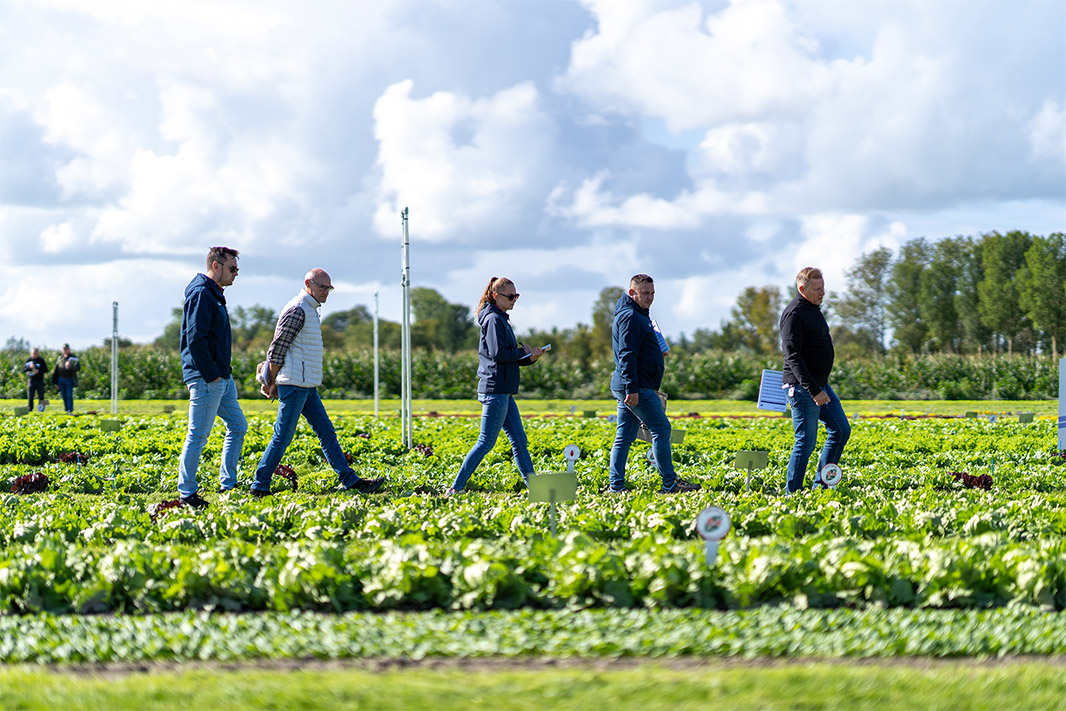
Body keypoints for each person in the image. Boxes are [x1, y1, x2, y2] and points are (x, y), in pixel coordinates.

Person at [252, 269, 385, 497]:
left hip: (306, 384)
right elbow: (278, 347)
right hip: (294, 384)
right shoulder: (298, 309)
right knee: (282, 436)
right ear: (308, 283)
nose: (327, 292)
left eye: (329, 288)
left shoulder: (310, 309)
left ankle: (350, 480)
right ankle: (260, 485)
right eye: (323, 287)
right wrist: (271, 381)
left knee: (326, 432)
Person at [447, 277, 545, 495]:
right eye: (510, 296)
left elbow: (506, 356)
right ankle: (455, 488)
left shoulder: (500, 319)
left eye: (516, 296)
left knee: (520, 442)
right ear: (495, 296)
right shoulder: (493, 319)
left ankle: (536, 489)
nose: (514, 300)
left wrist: (529, 357)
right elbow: (498, 353)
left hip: (504, 390)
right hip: (495, 390)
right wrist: (523, 353)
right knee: (485, 443)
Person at [608, 274, 700, 494]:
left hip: (633, 385)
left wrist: (657, 354)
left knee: (624, 436)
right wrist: (632, 389)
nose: (650, 298)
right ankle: (669, 483)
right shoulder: (630, 316)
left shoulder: (638, 315)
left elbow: (637, 351)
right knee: (661, 428)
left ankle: (616, 487)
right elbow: (626, 355)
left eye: (652, 293)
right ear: (632, 293)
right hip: (637, 386)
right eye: (645, 293)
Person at [177, 246, 249, 509]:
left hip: (221, 377)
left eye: (237, 270)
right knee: (197, 435)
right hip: (207, 378)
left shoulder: (214, 294)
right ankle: (186, 493)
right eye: (232, 269)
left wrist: (222, 376)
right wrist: (212, 376)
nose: (236, 274)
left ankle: (227, 483)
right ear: (216, 266)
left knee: (238, 426)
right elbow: (195, 340)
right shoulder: (201, 294)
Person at [780, 266, 850, 493]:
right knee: (806, 442)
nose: (822, 293)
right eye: (818, 289)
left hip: (820, 385)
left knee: (840, 430)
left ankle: (821, 484)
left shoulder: (813, 309)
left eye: (823, 288)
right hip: (803, 388)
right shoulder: (794, 314)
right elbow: (793, 357)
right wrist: (813, 390)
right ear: (802, 289)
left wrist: (820, 387)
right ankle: (793, 493)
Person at [51, 344, 80, 414]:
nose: (65, 350)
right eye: (64, 349)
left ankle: (70, 410)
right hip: (61, 379)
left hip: (69, 379)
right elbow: (56, 370)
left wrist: (71, 366)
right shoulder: (60, 358)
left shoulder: (73, 358)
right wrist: (55, 382)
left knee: (69, 395)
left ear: (69, 349)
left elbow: (78, 368)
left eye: (66, 349)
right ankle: (66, 409)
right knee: (64, 395)